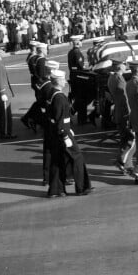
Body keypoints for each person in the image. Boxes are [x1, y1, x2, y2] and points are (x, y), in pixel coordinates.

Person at [46, 69, 93, 198]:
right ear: (59, 81)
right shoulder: (60, 97)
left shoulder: (51, 93)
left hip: (55, 132)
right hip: (63, 133)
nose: (65, 81)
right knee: (77, 157)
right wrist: (66, 135)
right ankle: (82, 187)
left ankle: (56, 189)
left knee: (57, 161)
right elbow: (61, 118)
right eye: (63, 79)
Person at [107, 58, 136, 173]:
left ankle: (127, 166)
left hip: (118, 112)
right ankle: (121, 161)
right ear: (120, 67)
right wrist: (131, 116)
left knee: (124, 140)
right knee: (132, 140)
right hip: (125, 114)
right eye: (124, 64)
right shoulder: (120, 80)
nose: (126, 66)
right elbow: (126, 100)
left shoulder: (111, 78)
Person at [39, 60, 61, 186]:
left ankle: (46, 177)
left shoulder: (44, 84)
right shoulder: (49, 87)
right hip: (52, 122)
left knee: (48, 151)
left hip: (47, 120)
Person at [67, 35, 87, 125]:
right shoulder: (77, 52)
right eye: (81, 41)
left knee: (78, 98)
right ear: (78, 42)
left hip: (74, 76)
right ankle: (81, 119)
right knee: (81, 99)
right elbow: (80, 65)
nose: (81, 43)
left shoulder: (71, 52)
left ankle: (76, 115)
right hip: (79, 77)